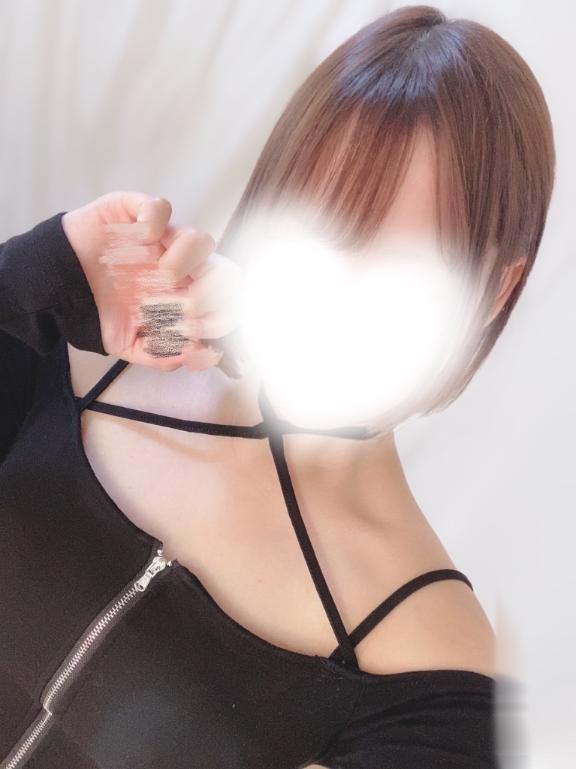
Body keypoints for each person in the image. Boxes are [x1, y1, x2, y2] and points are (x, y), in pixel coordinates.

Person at [0, 5, 554, 768]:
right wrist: (32, 272)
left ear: (495, 289)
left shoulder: (433, 663)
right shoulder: (77, 351)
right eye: (322, 225)